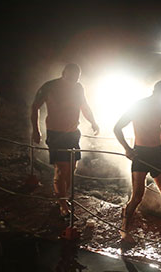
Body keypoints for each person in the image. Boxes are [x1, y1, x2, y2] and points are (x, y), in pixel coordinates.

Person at [114, 80, 161, 245]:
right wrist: (127, 149)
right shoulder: (139, 105)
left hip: (156, 153)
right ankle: (124, 231)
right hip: (141, 153)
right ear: (155, 91)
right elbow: (117, 128)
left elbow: (156, 126)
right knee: (137, 196)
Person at [31, 63, 100, 217]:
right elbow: (35, 106)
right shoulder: (49, 87)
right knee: (61, 170)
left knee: (72, 169)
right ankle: (62, 203)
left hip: (73, 133)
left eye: (77, 77)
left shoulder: (78, 88)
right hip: (56, 134)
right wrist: (36, 130)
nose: (74, 79)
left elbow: (84, 106)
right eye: (72, 76)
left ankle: (62, 196)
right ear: (64, 73)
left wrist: (93, 122)